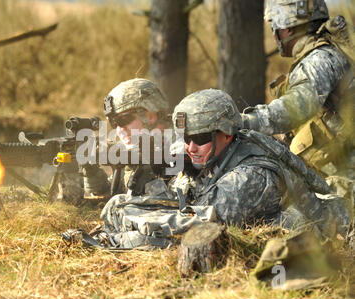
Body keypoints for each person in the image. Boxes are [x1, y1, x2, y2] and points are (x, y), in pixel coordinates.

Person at [97, 89, 351, 249]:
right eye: (185, 138)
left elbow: (194, 229)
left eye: (200, 138)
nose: (191, 147)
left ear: (226, 134)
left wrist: (125, 221)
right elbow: (185, 199)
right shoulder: (215, 155)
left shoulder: (250, 177)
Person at [241, 0, 353, 181]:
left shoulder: (320, 59)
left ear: (288, 27)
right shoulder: (330, 52)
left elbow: (295, 108)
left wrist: (243, 121)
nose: (274, 34)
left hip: (345, 182)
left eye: (274, 25)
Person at [83, 78, 174, 198]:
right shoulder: (135, 152)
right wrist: (91, 172)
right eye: (114, 123)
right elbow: (114, 191)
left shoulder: (188, 149)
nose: (119, 130)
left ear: (151, 115)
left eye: (124, 120)